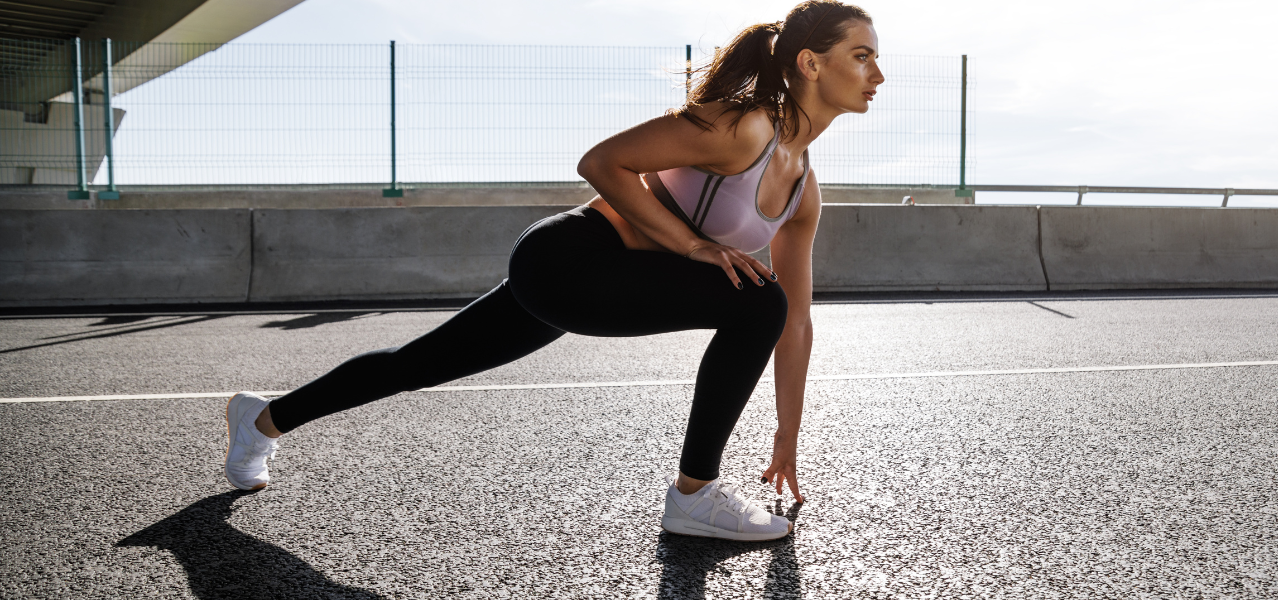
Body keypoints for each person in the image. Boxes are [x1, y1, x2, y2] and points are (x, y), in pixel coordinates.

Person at [223, 0, 882, 542]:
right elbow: (601, 162)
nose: (877, 73)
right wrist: (689, 246)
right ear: (809, 63)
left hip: (602, 283)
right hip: (570, 257)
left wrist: (787, 434)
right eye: (861, 56)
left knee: (416, 363)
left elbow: (797, 323)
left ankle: (261, 420)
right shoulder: (743, 127)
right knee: (756, 299)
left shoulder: (804, 192)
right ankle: (694, 495)